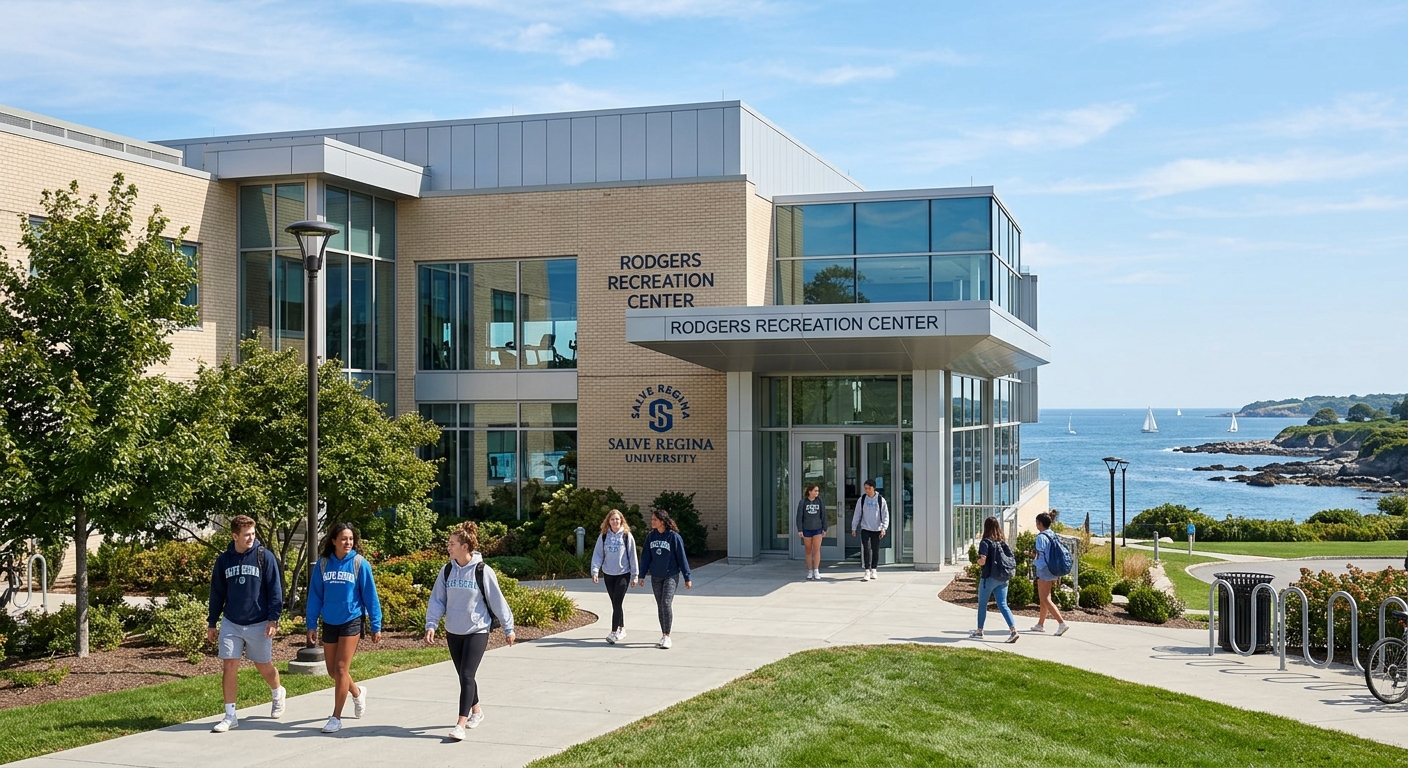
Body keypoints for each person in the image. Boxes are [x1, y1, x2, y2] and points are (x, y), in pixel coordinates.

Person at [424, 521, 516, 741]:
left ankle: (460, 724)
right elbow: (437, 600)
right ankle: (477, 710)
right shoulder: (447, 570)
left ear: (465, 547)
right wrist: (431, 624)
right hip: (453, 631)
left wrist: (508, 627)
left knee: (467, 674)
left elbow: (497, 600)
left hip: (477, 630)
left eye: (452, 543)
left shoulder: (483, 571)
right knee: (464, 675)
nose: (449, 547)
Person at [206, 515, 285, 733]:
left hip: (259, 622)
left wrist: (273, 619)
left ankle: (277, 691)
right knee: (229, 664)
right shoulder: (224, 561)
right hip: (231, 621)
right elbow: (217, 593)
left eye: (253, 534)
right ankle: (230, 715)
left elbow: (275, 590)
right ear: (234, 536)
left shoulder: (264, 557)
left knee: (263, 665)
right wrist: (212, 622)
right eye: (246, 535)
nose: (251, 538)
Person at [306, 522, 383, 734]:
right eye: (343, 539)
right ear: (333, 541)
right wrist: (311, 624)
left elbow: (371, 596)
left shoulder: (360, 564)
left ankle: (336, 717)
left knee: (341, 669)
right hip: (329, 620)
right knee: (333, 671)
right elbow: (314, 596)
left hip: (352, 620)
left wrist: (376, 625)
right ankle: (357, 692)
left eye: (350, 539)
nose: (347, 542)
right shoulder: (323, 564)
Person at [638, 508, 692, 649]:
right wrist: (641, 575)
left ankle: (667, 636)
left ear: (662, 521)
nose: (652, 522)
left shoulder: (673, 537)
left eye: (655, 519)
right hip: (656, 576)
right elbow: (646, 557)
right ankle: (663, 634)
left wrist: (687, 576)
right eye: (652, 519)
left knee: (666, 602)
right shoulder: (651, 537)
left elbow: (682, 557)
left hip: (671, 575)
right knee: (660, 605)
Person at [590, 508, 639, 644]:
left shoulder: (626, 535)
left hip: (623, 573)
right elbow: (598, 554)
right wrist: (595, 571)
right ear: (608, 522)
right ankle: (621, 628)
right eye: (612, 519)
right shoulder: (604, 536)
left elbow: (632, 556)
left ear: (621, 520)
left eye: (617, 519)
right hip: (608, 574)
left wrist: (635, 575)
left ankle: (613, 632)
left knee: (617, 602)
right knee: (615, 603)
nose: (615, 521)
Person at [969, 516, 1019, 644]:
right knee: (1003, 604)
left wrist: (978, 562)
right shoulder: (1002, 542)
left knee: (982, 604)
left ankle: (979, 630)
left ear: (986, 527)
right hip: (1003, 578)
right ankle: (1013, 630)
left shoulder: (985, 542)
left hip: (989, 578)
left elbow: (983, 560)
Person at [1029, 512, 1069, 636]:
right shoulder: (1053, 534)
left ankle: (1061, 623)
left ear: (1040, 523)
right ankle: (1040, 624)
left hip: (1044, 569)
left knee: (1045, 598)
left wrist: (1031, 556)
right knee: (1045, 597)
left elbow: (1040, 555)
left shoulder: (1041, 537)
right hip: (1053, 568)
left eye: (1037, 522)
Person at [850, 479, 889, 581]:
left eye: (869, 488)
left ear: (873, 488)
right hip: (865, 528)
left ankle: (874, 569)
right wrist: (854, 527)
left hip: (876, 529)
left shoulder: (880, 500)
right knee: (866, 549)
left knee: (875, 549)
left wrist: (884, 528)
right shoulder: (862, 499)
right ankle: (867, 569)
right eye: (865, 488)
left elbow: (885, 515)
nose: (867, 490)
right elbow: (857, 514)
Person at [795, 483, 826, 581]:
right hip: (806, 529)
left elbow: (823, 514)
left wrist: (824, 528)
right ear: (810, 491)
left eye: (818, 491)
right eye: (815, 491)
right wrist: (799, 529)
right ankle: (809, 570)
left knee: (816, 550)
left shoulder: (819, 501)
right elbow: (799, 516)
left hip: (817, 528)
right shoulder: (803, 502)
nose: (817, 492)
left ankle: (816, 570)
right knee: (808, 550)